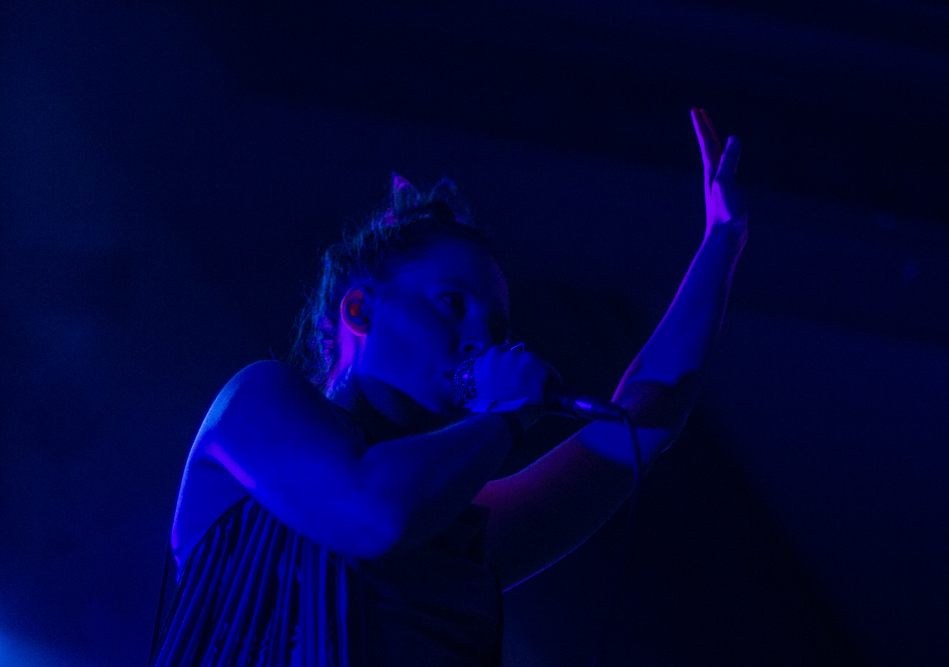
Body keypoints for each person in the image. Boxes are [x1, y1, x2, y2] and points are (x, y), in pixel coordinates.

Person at [149, 109, 747, 666]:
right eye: (452, 303)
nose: (479, 338)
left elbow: (639, 424)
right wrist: (509, 419)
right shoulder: (256, 403)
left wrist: (721, 244)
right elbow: (375, 513)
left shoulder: (461, 528)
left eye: (495, 327)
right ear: (359, 310)